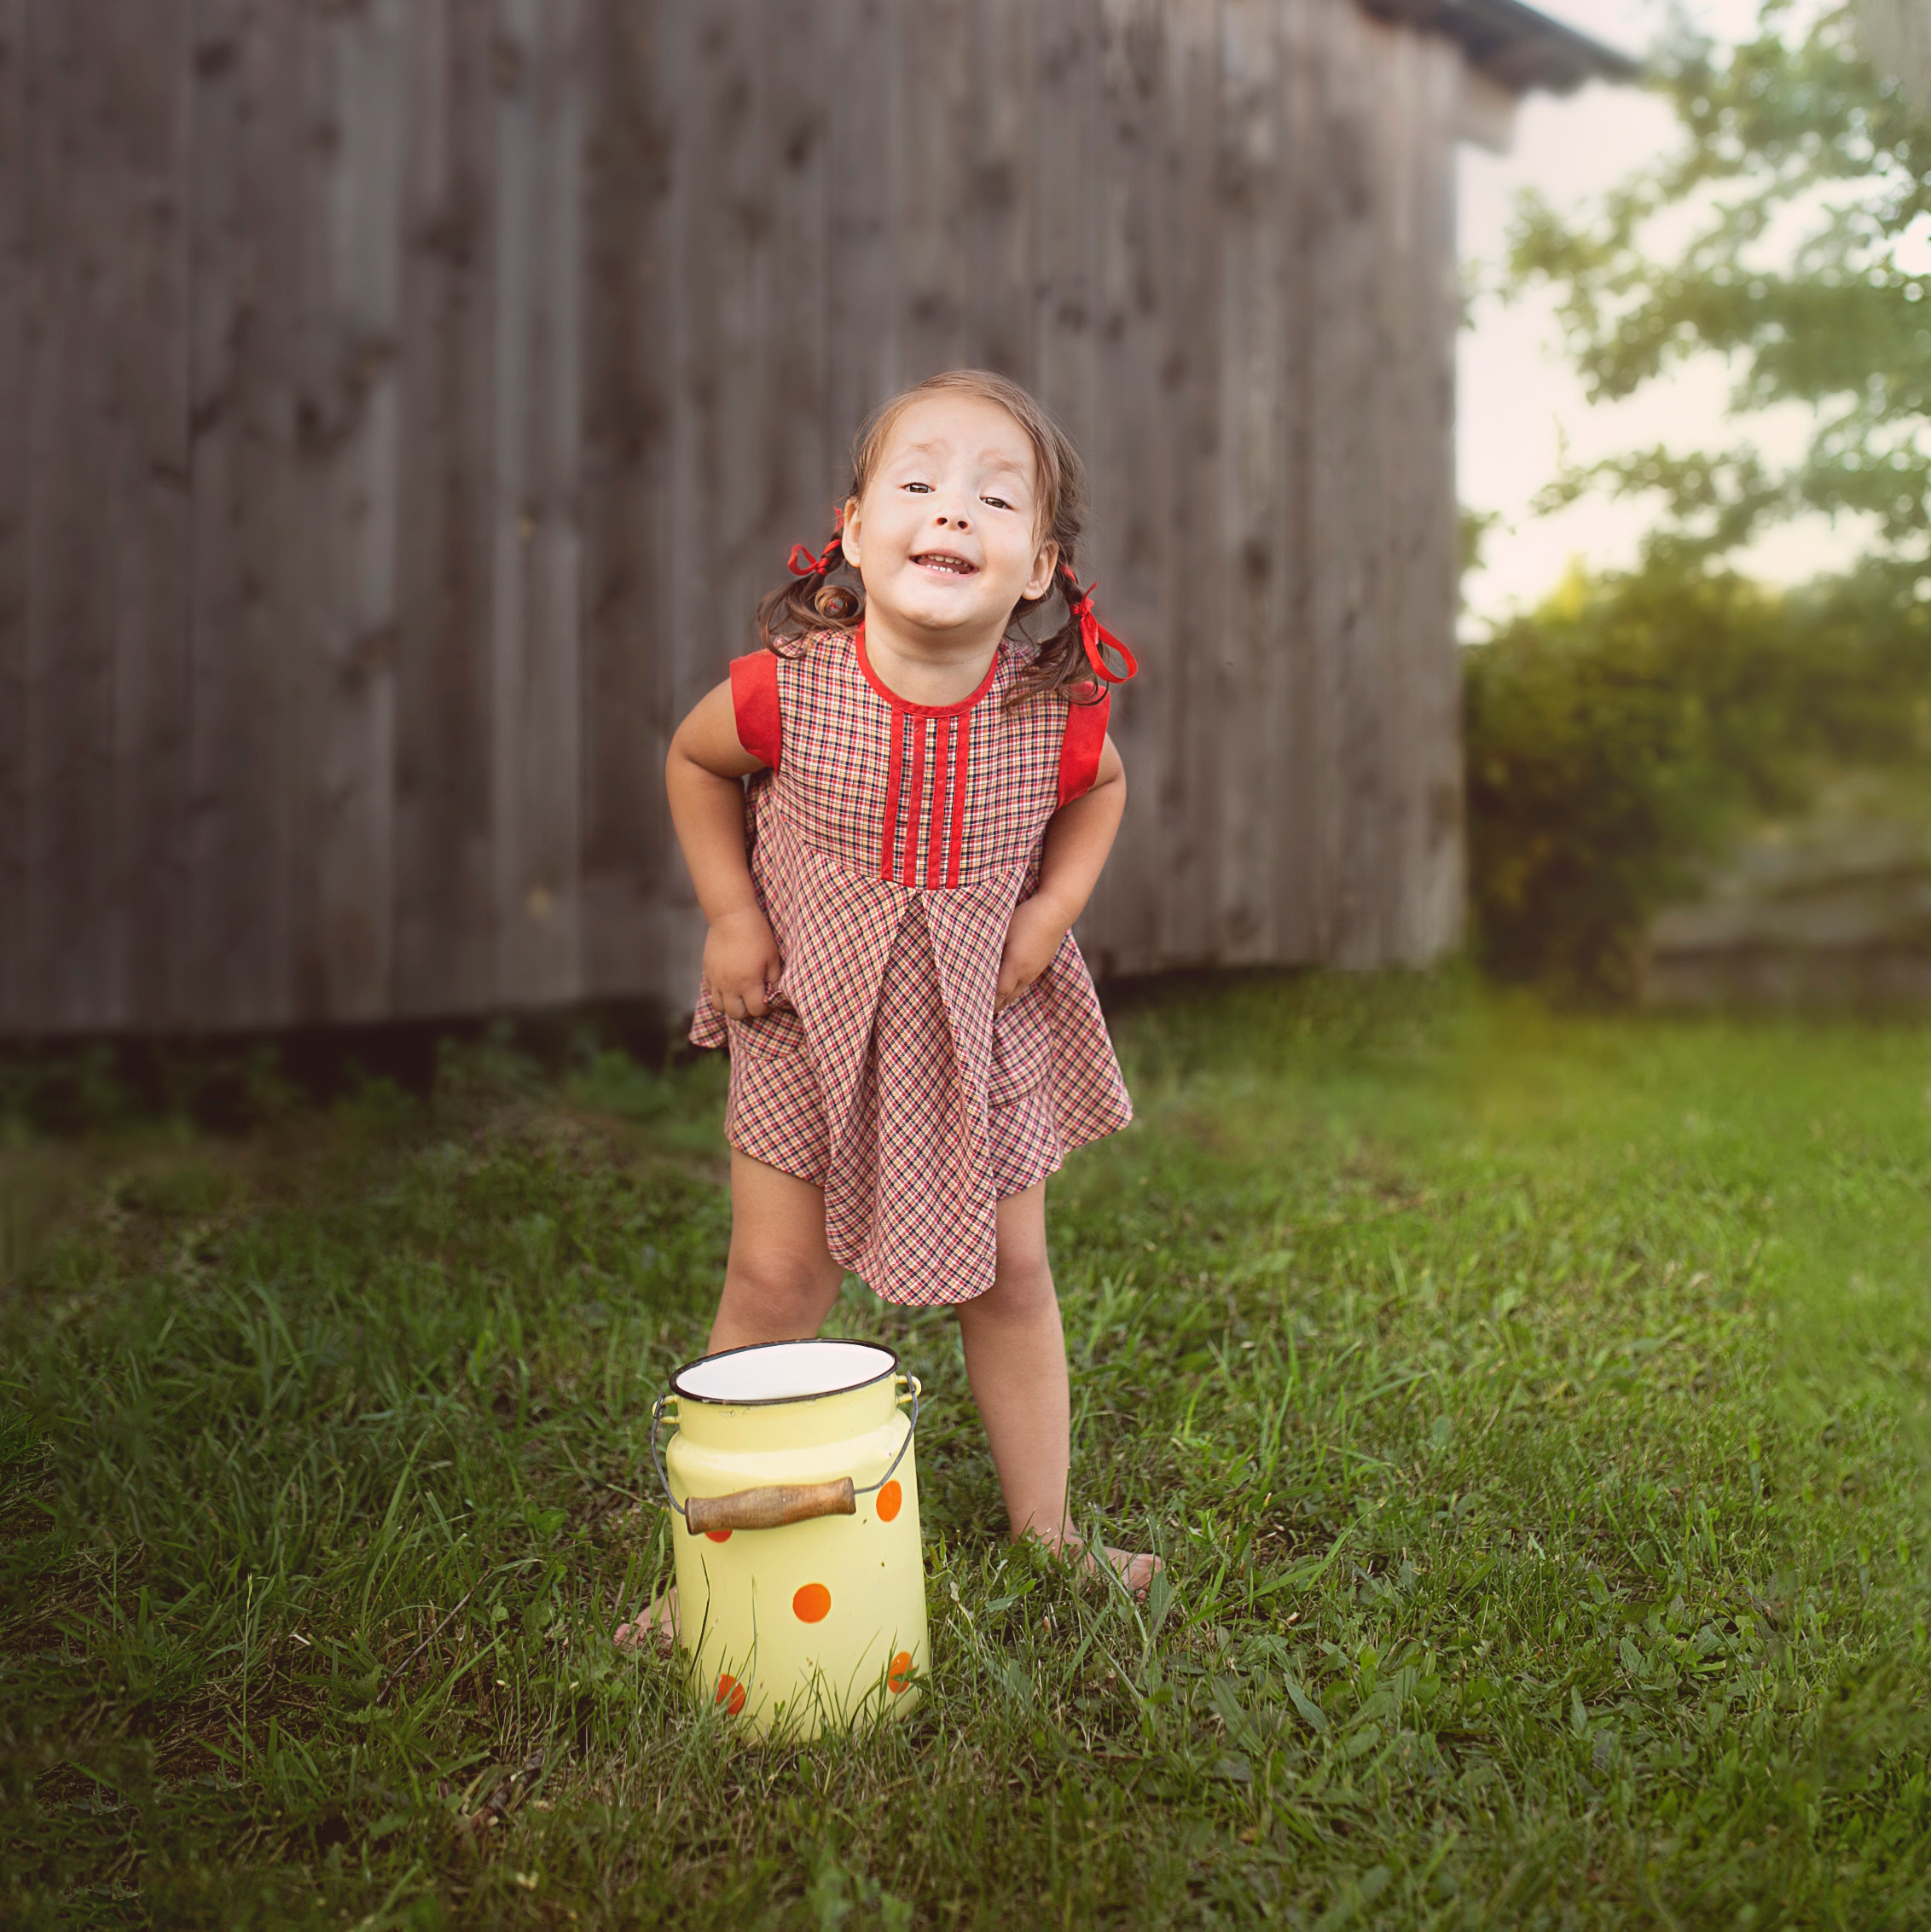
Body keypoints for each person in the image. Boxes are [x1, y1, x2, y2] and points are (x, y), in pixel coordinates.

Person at [618, 369, 1155, 1651]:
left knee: (1015, 1275)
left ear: (1039, 564)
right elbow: (693, 763)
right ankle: (704, 1561)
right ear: (855, 532)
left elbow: (1102, 792)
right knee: (771, 1274)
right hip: (812, 1019)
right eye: (917, 484)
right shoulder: (784, 691)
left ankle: (1050, 1531)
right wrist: (731, 912)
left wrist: (1049, 911)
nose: (951, 512)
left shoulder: (1053, 714)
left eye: (992, 494)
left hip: (981, 1033)